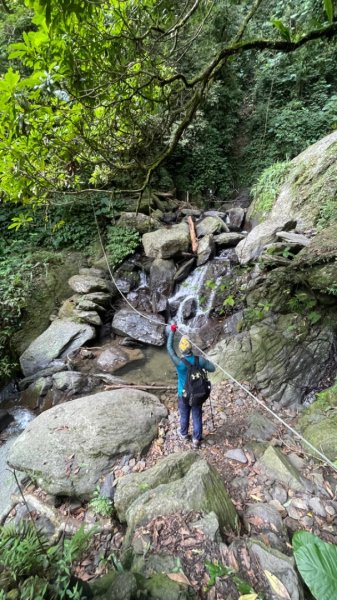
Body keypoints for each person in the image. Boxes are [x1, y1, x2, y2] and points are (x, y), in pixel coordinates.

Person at [166, 323, 215, 448]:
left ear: (181, 350)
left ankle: (183, 433)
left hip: (183, 394)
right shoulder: (200, 360)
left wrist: (172, 331)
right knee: (197, 414)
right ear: (191, 348)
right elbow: (212, 368)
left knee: (184, 414)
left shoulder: (179, 363)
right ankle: (196, 439)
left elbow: (169, 348)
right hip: (198, 393)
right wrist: (205, 361)